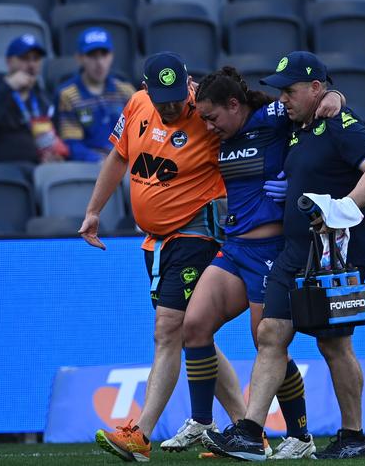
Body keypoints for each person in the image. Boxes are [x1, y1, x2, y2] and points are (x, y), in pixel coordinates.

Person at [201, 51, 365, 461]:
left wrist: (341, 210)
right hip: (294, 251)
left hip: (335, 255)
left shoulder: (342, 124)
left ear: (316, 89)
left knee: (334, 344)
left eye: (289, 90)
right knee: (270, 334)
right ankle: (251, 432)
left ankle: (354, 436)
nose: (283, 98)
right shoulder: (296, 126)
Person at [160, 67, 343, 460]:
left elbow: (312, 104)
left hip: (271, 252)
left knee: (268, 342)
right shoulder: (220, 134)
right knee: (193, 326)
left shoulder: (271, 117)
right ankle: (203, 422)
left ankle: (299, 435)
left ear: (234, 104)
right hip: (235, 248)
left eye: (213, 117)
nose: (208, 126)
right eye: (203, 119)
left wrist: (335, 97)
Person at [83, 52, 255, 463]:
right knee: (194, 335)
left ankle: (141, 435)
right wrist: (93, 211)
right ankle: (249, 431)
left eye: (178, 97)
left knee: (168, 330)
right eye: (163, 100)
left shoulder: (208, 112)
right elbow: (120, 157)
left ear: (189, 86)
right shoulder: (138, 105)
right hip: (156, 242)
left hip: (197, 233)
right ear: (145, 90)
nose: (172, 106)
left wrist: (330, 97)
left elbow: (258, 115)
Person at [0, 34, 67, 163]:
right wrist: (7, 87)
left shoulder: (43, 96)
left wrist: (53, 155)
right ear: (9, 61)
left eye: (36, 59)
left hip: (36, 168)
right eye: (24, 58)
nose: (31, 65)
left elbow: (55, 136)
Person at [55, 27, 135, 162]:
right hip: (90, 167)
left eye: (104, 54)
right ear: (79, 58)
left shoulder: (126, 91)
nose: (100, 63)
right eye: (92, 56)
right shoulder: (68, 95)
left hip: (126, 163)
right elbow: (72, 144)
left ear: (112, 56)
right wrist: (100, 161)